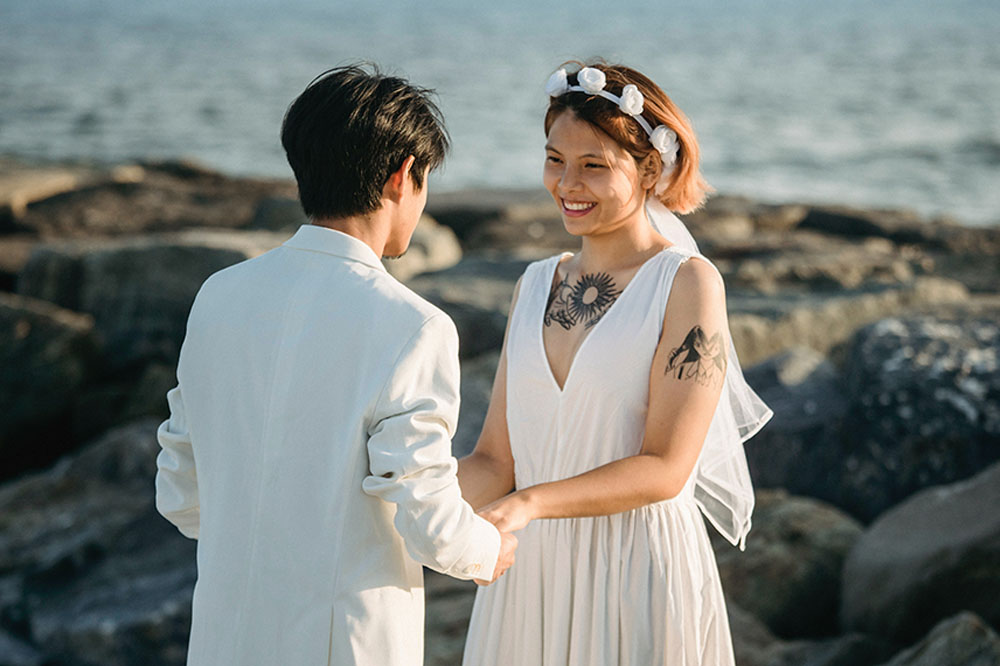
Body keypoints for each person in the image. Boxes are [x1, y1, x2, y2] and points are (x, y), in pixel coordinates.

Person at [154, 64, 517, 666]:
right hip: (346, 642)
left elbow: (179, 490)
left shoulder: (219, 294)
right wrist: (487, 549)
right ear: (404, 177)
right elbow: (423, 508)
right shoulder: (415, 325)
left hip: (224, 633)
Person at [458, 62, 773, 665]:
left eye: (593, 165)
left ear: (650, 168)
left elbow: (666, 468)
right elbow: (496, 461)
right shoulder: (531, 285)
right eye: (555, 160)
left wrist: (529, 504)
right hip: (530, 577)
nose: (566, 183)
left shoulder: (687, 285)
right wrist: (406, 498)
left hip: (635, 572)